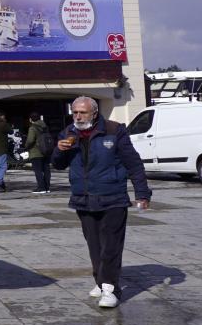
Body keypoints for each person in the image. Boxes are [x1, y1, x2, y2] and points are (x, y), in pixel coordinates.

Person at [52, 96, 151, 309]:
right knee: (94, 244)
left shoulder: (115, 131)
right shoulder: (69, 133)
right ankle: (101, 281)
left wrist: (142, 193)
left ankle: (110, 288)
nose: (77, 117)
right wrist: (59, 150)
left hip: (113, 197)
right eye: (75, 112)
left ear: (94, 113)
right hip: (83, 199)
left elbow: (133, 164)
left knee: (111, 245)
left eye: (82, 113)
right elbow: (58, 165)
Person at [23, 112, 53, 194]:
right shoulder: (45, 127)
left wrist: (26, 146)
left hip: (36, 152)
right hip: (46, 151)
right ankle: (47, 187)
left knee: (38, 171)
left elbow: (30, 140)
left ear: (30, 119)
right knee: (46, 170)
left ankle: (41, 187)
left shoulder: (32, 128)